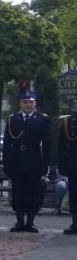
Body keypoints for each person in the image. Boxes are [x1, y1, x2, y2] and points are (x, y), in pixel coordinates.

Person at [3, 88, 52, 232]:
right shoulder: (13, 119)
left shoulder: (43, 119)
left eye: (31, 102)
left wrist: (45, 163)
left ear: (35, 104)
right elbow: (7, 143)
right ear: (20, 104)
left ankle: (30, 222)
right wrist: (6, 162)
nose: (28, 105)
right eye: (25, 102)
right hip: (17, 161)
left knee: (33, 192)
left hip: (34, 161)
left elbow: (47, 144)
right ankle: (19, 221)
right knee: (18, 191)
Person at [58, 100, 77, 235]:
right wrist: (62, 165)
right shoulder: (68, 122)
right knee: (74, 195)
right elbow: (62, 146)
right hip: (73, 164)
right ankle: (75, 223)